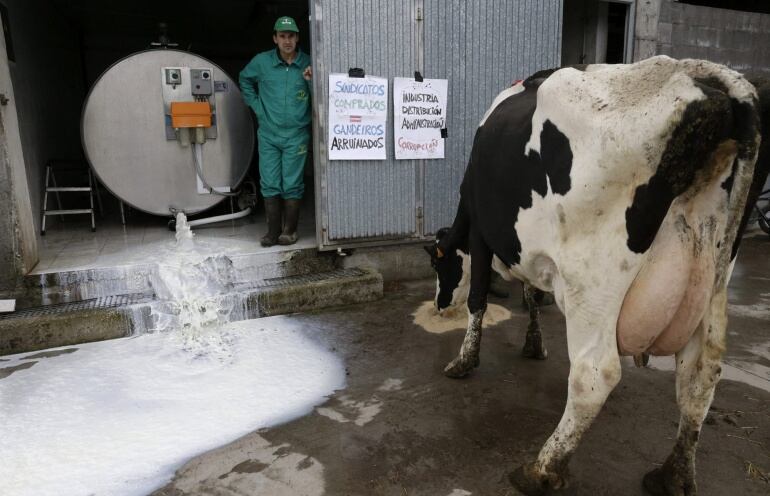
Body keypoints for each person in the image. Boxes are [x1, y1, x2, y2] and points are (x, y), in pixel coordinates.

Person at [239, 16, 312, 247]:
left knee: (292, 183)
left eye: (291, 36)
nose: (287, 40)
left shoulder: (309, 63)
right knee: (269, 182)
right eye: (282, 36)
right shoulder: (262, 62)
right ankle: (272, 232)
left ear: (297, 38)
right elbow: (244, 79)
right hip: (269, 134)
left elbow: (324, 92)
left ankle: (289, 231)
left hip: (296, 134)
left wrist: (311, 81)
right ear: (275, 38)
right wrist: (258, 108)